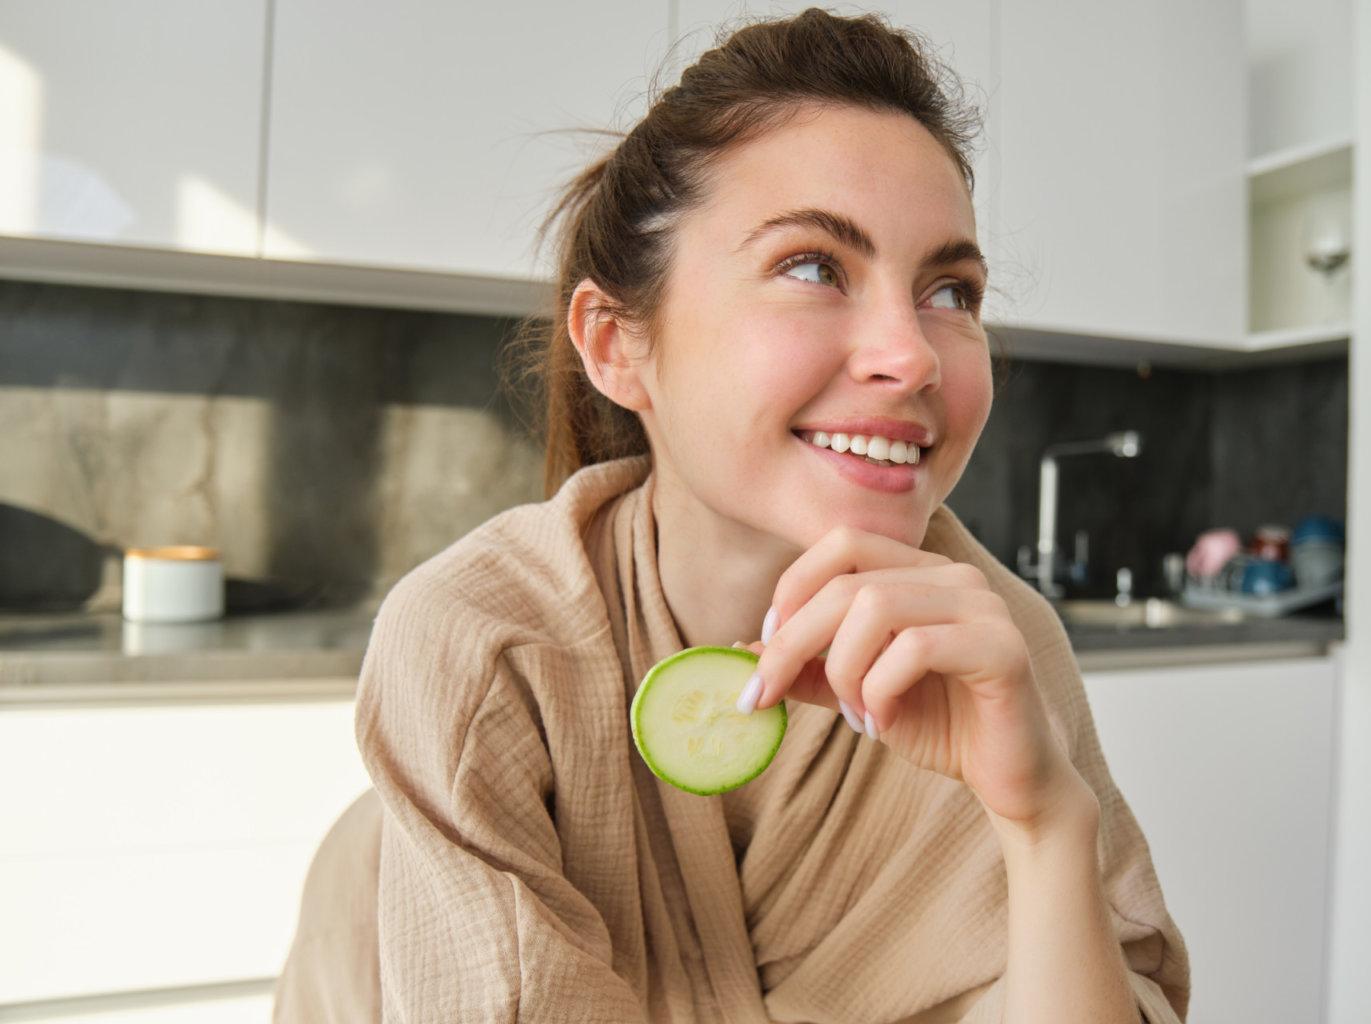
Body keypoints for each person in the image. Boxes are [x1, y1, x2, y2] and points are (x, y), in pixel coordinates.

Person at [274, 8, 1189, 1023]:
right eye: (813, 265)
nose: (915, 354)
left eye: (949, 288)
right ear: (619, 345)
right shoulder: (482, 648)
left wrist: (1047, 822)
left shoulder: (1000, 651)